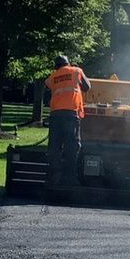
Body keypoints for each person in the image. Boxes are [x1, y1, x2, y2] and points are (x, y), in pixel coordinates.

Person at [43, 53, 89, 188]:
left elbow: (47, 85)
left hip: (55, 114)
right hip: (71, 114)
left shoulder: (53, 76)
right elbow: (87, 87)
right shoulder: (76, 71)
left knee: (55, 146)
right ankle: (69, 178)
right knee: (72, 146)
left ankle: (54, 178)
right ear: (68, 63)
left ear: (56, 66)